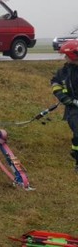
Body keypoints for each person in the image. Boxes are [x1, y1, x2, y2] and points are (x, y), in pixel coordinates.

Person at [51, 39, 78, 173]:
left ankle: (75, 152)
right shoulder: (64, 71)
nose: (65, 58)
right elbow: (55, 83)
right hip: (73, 108)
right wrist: (64, 98)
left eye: (66, 55)